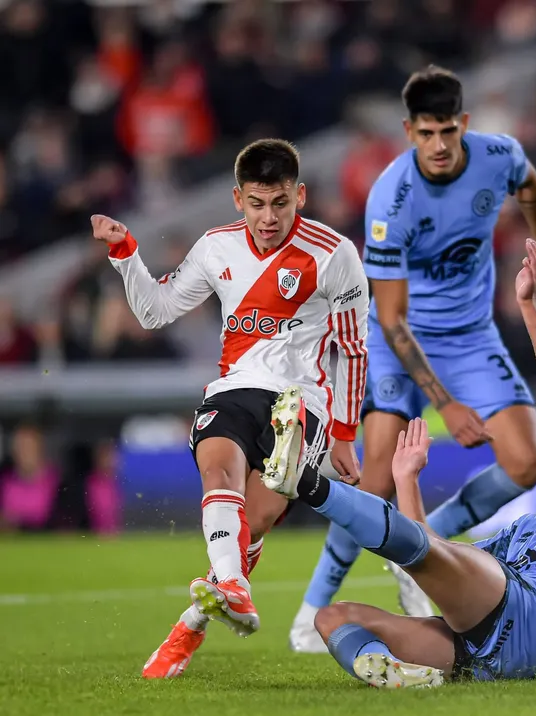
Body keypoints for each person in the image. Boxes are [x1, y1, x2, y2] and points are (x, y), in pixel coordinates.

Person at [264, 238, 536, 687]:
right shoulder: (527, 529)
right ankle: (392, 673)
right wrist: (406, 480)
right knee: (334, 618)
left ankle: (306, 483)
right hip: (490, 655)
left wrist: (528, 307)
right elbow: (430, 558)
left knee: (448, 557)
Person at [290, 65, 536, 650]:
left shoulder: (499, 155)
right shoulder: (391, 198)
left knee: (528, 462)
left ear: (463, 123)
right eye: (425, 133)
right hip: (398, 341)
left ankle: (424, 540)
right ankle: (312, 608)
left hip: (470, 338)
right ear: (408, 131)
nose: (438, 145)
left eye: (447, 131)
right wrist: (447, 403)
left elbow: (531, 187)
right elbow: (391, 318)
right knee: (373, 481)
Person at [91, 138, 370, 678]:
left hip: (302, 401)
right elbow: (154, 312)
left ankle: (193, 622)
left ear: (300, 196)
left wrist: (344, 434)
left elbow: (354, 349)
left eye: (280, 203)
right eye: (257, 204)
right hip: (235, 388)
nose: (269, 217)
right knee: (218, 470)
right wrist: (125, 252)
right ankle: (234, 590)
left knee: (255, 521)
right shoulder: (216, 247)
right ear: (238, 199)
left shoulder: (334, 254)